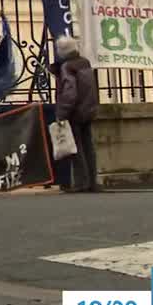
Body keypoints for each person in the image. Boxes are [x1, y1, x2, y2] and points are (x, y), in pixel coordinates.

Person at [51, 36, 101, 193]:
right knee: (88, 147)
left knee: (76, 149)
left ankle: (81, 182)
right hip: (88, 110)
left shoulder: (67, 67)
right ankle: (92, 181)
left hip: (75, 112)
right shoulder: (84, 63)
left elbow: (70, 93)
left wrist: (61, 113)